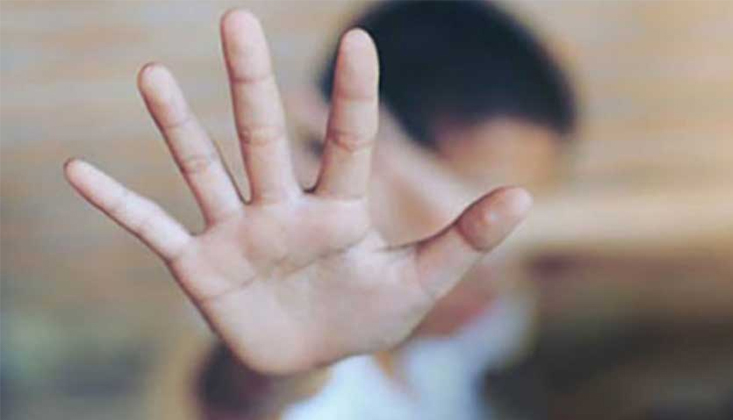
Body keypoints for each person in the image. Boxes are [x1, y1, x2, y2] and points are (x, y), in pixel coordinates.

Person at [65, 1, 576, 419]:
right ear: (364, 158)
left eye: (532, 208)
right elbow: (229, 399)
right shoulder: (275, 330)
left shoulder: (472, 319)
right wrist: (272, 375)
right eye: (475, 197)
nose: (501, 251)